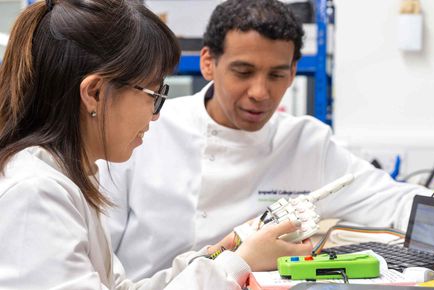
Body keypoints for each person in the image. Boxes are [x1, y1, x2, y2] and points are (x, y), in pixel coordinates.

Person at [99, 0, 431, 281]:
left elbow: (395, 201)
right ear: (208, 63)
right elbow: (98, 259)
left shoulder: (306, 142)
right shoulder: (145, 131)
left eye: (276, 75)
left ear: (293, 71)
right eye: (243, 72)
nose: (260, 93)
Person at [0, 0, 311, 289]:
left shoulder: (68, 178)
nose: (156, 115)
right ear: (94, 93)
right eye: (154, 95)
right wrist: (237, 264)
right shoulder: (34, 193)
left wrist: (213, 258)